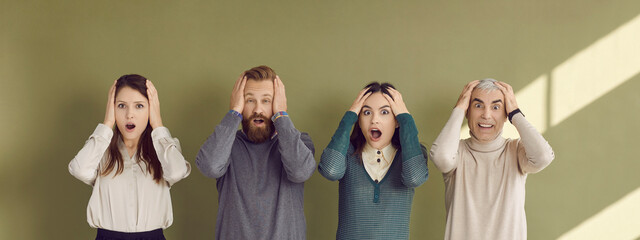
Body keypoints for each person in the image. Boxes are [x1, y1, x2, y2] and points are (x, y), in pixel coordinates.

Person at [196, 66, 316, 240]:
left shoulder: (300, 142)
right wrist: (233, 112)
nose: (257, 110)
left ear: (278, 103)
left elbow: (300, 171)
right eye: (249, 100)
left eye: (266, 101)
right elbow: (210, 167)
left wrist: (281, 115)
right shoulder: (226, 143)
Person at [69, 74, 191, 240]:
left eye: (139, 106)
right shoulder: (100, 148)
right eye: (121, 106)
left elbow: (177, 172)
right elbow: (79, 169)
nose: (129, 115)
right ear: (112, 108)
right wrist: (107, 123)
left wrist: (158, 124)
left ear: (151, 108)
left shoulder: (164, 148)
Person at [430, 78, 555, 240]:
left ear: (506, 115)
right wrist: (460, 108)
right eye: (478, 105)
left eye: (496, 107)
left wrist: (516, 113)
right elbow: (441, 158)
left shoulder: (516, 151)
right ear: (468, 111)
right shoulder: (456, 152)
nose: (486, 115)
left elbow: (543, 157)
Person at [318, 82, 429, 240]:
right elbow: (330, 170)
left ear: (396, 120)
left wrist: (406, 119)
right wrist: (349, 117)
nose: (374, 120)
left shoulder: (410, 155)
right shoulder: (347, 153)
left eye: (384, 112)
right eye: (366, 112)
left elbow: (415, 178)